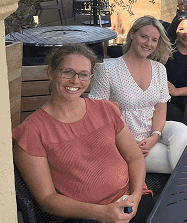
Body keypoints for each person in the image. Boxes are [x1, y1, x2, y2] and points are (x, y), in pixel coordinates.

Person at [15, 44, 148, 223]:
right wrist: (100, 213)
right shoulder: (32, 131)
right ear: (50, 73)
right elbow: (47, 199)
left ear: (90, 78)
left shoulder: (105, 109)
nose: (75, 81)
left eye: (83, 74)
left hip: (129, 201)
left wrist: (136, 197)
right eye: (67, 72)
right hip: (84, 216)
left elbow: (135, 157)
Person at [87, 17, 187, 175]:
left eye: (154, 40)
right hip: (123, 141)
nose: (148, 44)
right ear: (132, 35)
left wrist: (155, 136)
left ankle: (184, 185)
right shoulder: (108, 69)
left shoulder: (159, 69)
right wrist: (126, 143)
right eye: (144, 37)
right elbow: (97, 114)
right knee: (180, 162)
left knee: (182, 130)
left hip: (152, 134)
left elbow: (160, 108)